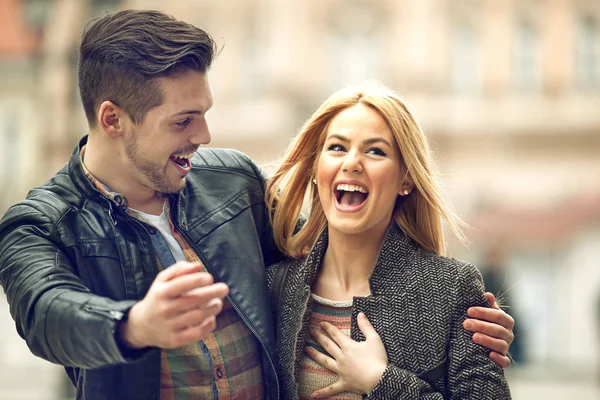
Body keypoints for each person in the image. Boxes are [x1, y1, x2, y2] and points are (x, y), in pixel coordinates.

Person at [0, 9, 513, 400]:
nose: (204, 135)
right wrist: (134, 326)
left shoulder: (231, 180)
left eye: (204, 113)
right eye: (183, 121)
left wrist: (458, 315)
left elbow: (334, 238)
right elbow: (49, 315)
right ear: (113, 120)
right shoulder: (39, 226)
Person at [265, 82, 512, 399]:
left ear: (406, 179)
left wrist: (381, 381)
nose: (352, 162)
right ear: (316, 168)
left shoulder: (452, 288)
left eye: (375, 151)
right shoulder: (275, 288)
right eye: (337, 147)